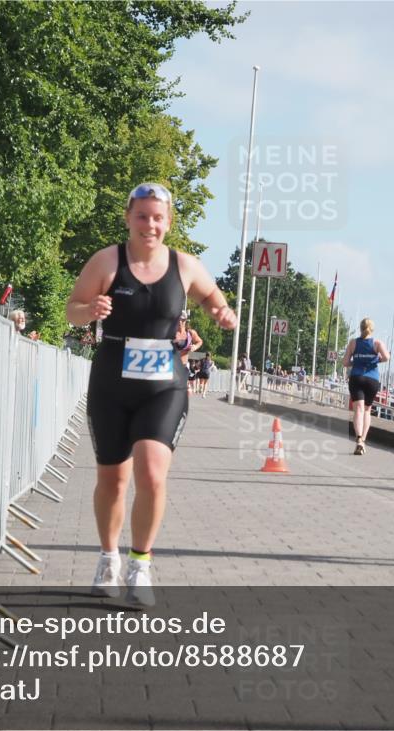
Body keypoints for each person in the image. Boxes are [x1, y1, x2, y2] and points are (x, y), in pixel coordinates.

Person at [65, 182, 236, 605]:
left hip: (164, 386)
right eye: (142, 216)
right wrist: (90, 311)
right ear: (128, 218)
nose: (150, 225)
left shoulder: (186, 265)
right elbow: (72, 309)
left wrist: (222, 313)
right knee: (112, 479)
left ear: (168, 222)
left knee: (153, 473)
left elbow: (215, 299)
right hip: (111, 382)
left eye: (158, 218)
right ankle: (109, 558)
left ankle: (140, 564)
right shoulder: (107, 261)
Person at [342, 318, 390, 455]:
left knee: (358, 410)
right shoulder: (377, 343)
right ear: (372, 329)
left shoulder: (353, 343)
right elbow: (386, 357)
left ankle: (358, 440)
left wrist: (357, 362)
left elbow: (345, 362)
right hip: (372, 379)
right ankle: (363, 440)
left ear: (360, 328)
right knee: (367, 411)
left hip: (356, 377)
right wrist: (376, 360)